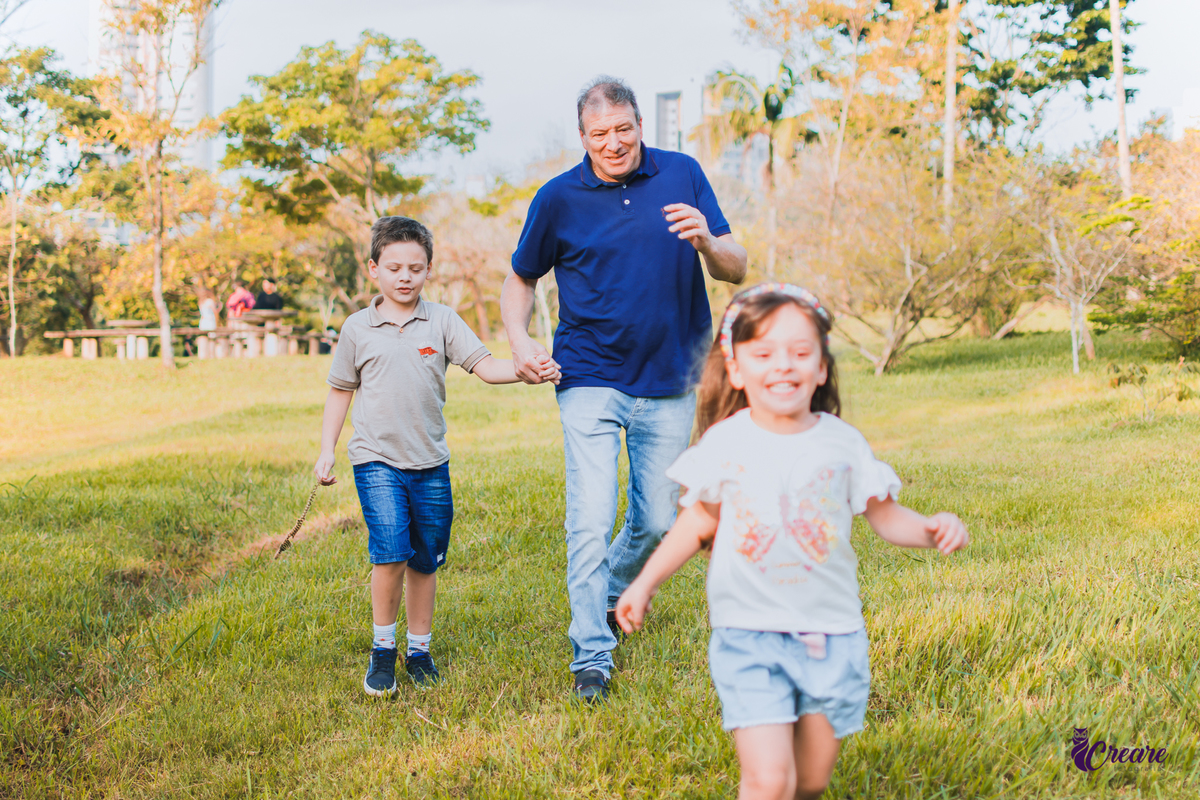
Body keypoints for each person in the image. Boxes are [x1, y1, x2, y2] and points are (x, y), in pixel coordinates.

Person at [616, 285, 970, 800]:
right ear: (736, 369)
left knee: (810, 781)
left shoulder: (841, 442)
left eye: (800, 352)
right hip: (748, 636)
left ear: (821, 368)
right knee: (768, 781)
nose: (783, 365)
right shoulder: (727, 443)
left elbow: (885, 516)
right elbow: (695, 525)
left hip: (833, 635)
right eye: (763, 354)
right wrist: (643, 583)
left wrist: (931, 528)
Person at [500, 75, 747, 702]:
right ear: (582, 137)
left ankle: (607, 592)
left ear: (642, 124)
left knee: (660, 518)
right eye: (599, 134)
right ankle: (592, 653)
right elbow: (520, 280)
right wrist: (522, 341)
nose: (614, 144)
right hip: (588, 374)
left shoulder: (682, 172)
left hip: (670, 376)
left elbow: (736, 266)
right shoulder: (558, 198)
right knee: (589, 516)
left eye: (624, 130)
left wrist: (707, 241)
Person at [314, 216, 560, 696]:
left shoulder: (443, 320)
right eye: (394, 268)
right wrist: (327, 451)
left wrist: (528, 369)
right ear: (374, 270)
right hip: (376, 460)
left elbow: (486, 367)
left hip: (430, 464)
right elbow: (340, 391)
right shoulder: (357, 328)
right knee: (390, 552)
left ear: (428, 271)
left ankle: (419, 650)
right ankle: (383, 648)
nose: (404, 277)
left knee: (425, 560)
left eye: (415, 267)